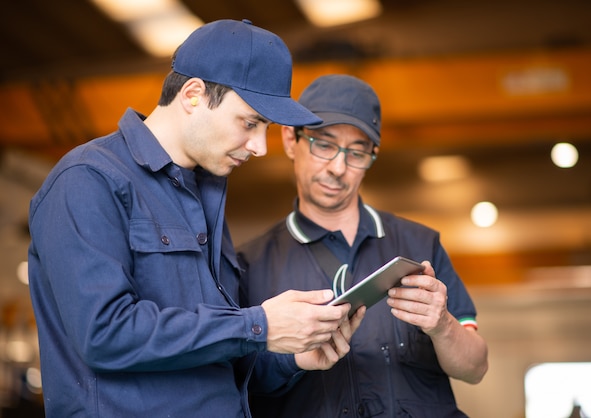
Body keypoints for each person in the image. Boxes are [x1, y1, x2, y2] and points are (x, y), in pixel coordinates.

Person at [27, 20, 364, 417]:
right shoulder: (88, 180)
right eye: (251, 123)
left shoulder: (204, 194)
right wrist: (259, 325)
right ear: (192, 95)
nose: (259, 146)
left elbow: (212, 359)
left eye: (266, 128)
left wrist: (293, 355)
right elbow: (105, 334)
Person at [238, 74, 489, 417]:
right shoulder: (249, 264)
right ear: (289, 139)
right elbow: (237, 382)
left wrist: (442, 323)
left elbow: (475, 368)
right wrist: (294, 359)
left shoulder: (420, 245)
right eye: (323, 145)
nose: (338, 168)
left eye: (357, 153)